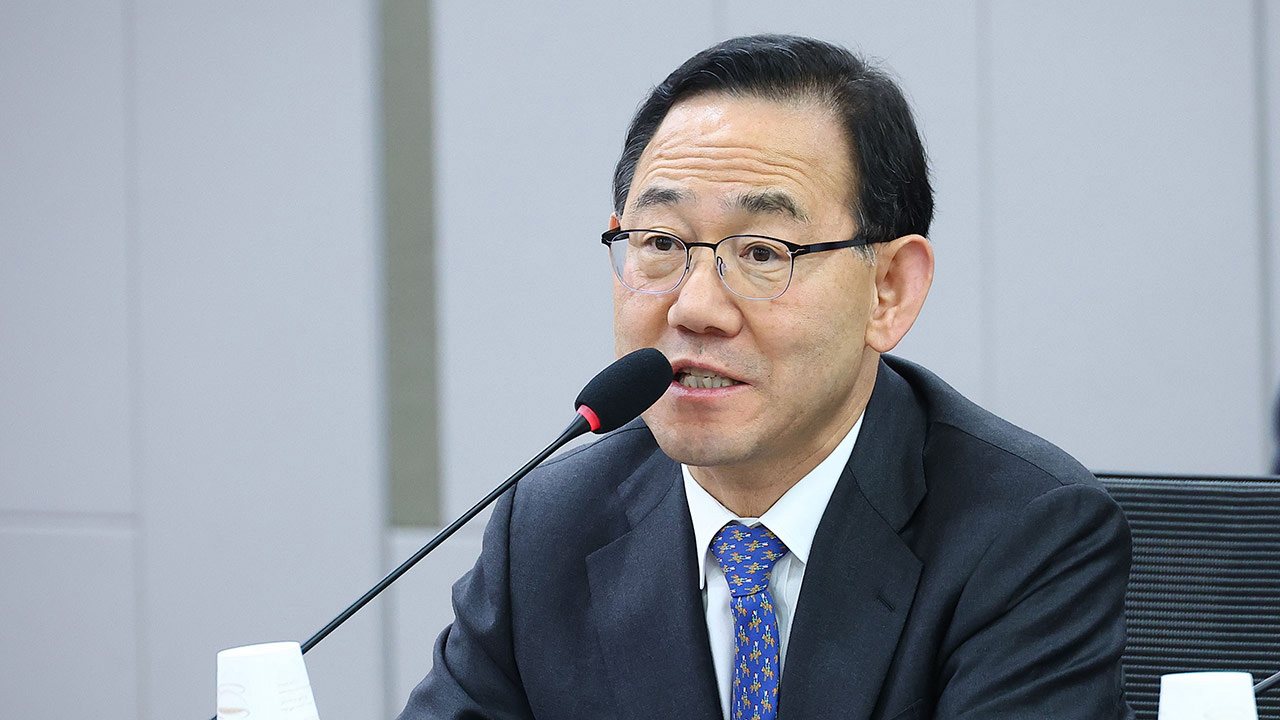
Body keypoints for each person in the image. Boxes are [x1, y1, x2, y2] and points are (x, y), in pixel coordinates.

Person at [399, 34, 1132, 720]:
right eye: (660, 243)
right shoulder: (549, 526)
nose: (695, 309)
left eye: (761, 252)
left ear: (889, 291)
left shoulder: (1022, 533)